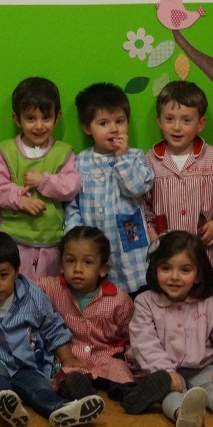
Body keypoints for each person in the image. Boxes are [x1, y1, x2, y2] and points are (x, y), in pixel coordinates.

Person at [0, 232, 106, 427]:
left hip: (25, 365)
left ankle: (60, 409)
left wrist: (67, 358)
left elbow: (52, 327)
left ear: (16, 271)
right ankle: (6, 404)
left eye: (2, 275)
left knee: (39, 387)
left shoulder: (33, 296)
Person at [129, 231, 213, 427]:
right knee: (169, 393)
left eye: (185, 270)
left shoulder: (210, 302)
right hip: (159, 371)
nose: (174, 277)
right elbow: (144, 343)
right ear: (155, 269)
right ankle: (183, 414)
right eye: (166, 268)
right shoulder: (145, 302)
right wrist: (165, 371)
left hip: (200, 368)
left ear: (198, 274)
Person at [35, 226, 173, 413]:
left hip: (107, 358)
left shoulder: (118, 300)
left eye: (87, 262)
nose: (77, 269)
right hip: (72, 359)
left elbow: (131, 337)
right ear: (61, 265)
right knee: (69, 379)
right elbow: (25, 288)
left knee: (121, 377)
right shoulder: (52, 288)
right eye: (70, 261)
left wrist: (136, 368)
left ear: (102, 269)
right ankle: (84, 398)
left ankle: (134, 398)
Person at [0, 77, 81, 280]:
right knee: (15, 290)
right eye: (30, 118)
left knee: (48, 292)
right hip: (13, 241)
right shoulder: (5, 151)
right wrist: (21, 199)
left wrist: (43, 182)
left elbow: (72, 185)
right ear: (17, 119)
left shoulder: (63, 152)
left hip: (52, 242)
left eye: (46, 118)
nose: (39, 126)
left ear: (57, 117)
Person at [65, 83, 155, 294]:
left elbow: (138, 188)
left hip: (129, 249)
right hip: (92, 249)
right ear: (87, 127)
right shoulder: (79, 162)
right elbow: (72, 205)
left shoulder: (134, 157)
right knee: (99, 297)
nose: (114, 129)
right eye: (103, 123)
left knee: (135, 296)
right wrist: (75, 237)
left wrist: (121, 158)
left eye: (119, 121)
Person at [144, 81, 213, 287]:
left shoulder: (210, 157)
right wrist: (152, 234)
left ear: (200, 124)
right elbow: (144, 204)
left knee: (206, 297)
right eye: (169, 119)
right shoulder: (149, 161)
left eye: (186, 120)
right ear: (159, 121)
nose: (176, 127)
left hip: (205, 251)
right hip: (166, 253)